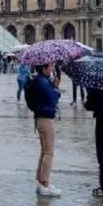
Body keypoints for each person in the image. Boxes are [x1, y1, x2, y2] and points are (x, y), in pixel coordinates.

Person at [29, 63, 62, 197]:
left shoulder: (40, 80)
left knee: (44, 152)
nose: (51, 70)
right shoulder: (42, 82)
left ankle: (40, 182)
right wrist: (55, 87)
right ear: (43, 68)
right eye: (49, 68)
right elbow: (53, 98)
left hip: (39, 118)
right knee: (49, 152)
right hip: (45, 118)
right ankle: (45, 183)